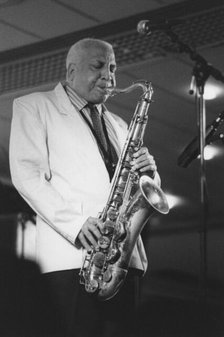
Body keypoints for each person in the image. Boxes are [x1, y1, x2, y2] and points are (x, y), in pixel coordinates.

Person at [9, 38, 161, 337]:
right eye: (98, 66)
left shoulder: (119, 123)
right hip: (72, 258)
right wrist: (76, 224)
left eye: (113, 68)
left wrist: (149, 172)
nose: (109, 76)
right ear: (71, 72)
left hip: (122, 262)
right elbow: (26, 174)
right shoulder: (35, 106)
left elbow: (139, 191)